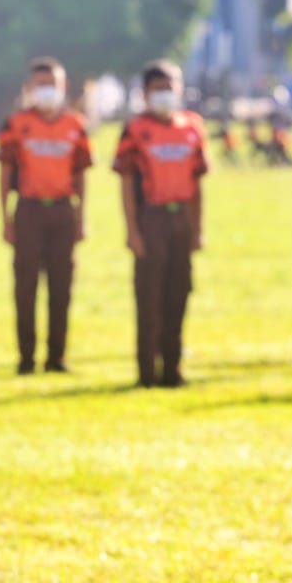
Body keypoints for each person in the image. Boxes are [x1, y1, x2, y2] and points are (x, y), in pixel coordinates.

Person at [113, 60, 208, 388]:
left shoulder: (193, 127)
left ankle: (173, 368)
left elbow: (198, 183)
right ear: (145, 93)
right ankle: (147, 372)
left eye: (171, 88)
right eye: (158, 89)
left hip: (180, 217)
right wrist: (133, 230)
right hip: (150, 218)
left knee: (178, 293)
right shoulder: (136, 131)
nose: (165, 95)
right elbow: (126, 182)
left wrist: (198, 228)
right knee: (149, 297)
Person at [0, 56, 93, 374]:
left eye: (53, 84)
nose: (47, 90)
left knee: (61, 287)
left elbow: (81, 174)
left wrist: (82, 217)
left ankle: (56, 357)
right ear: (29, 88)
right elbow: (6, 171)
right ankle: (26, 358)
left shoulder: (75, 125)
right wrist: (7, 218)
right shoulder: (16, 124)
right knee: (25, 288)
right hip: (28, 211)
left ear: (63, 87)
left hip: (63, 211)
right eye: (41, 85)